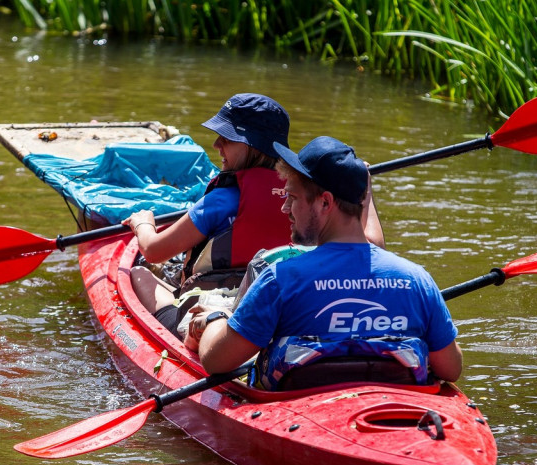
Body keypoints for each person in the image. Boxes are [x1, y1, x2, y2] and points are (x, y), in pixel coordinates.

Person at [186, 136, 461, 390]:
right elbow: (451, 368)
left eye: (292, 198)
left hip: (299, 415)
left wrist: (214, 318)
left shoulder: (280, 279)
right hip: (398, 413)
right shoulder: (418, 280)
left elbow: (216, 361)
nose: (284, 209)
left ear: (325, 203)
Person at [123, 94, 315, 334]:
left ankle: (173, 322)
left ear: (251, 146)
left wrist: (143, 225)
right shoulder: (306, 196)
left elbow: (152, 251)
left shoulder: (221, 199)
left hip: (211, 311)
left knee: (139, 272)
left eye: (226, 138)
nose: (216, 144)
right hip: (277, 305)